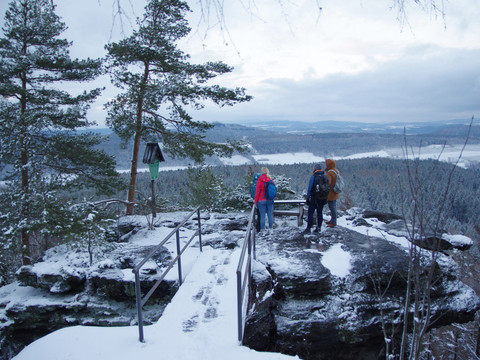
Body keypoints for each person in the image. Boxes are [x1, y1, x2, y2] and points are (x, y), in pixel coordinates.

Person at [303, 164, 328, 234]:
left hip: (314, 197)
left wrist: (308, 198)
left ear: (315, 169)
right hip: (323, 198)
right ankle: (319, 228)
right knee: (320, 212)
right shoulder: (325, 177)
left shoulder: (313, 177)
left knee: (310, 212)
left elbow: (310, 188)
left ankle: (308, 228)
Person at [254, 167, 274, 232]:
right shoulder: (270, 179)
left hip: (261, 200)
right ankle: (271, 229)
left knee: (262, 216)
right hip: (270, 199)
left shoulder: (259, 180)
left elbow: (257, 192)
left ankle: (262, 230)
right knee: (270, 215)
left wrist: (255, 201)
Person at [325, 158, 339, 228]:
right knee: (333, 206)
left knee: (332, 207)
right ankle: (332, 220)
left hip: (331, 193)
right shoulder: (335, 170)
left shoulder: (329, 173)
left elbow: (328, 183)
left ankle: (333, 222)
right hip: (335, 192)